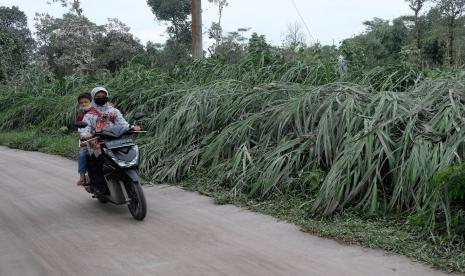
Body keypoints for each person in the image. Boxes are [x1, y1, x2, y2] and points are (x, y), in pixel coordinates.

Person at [75, 93, 99, 186]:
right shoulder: (80, 117)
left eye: (86, 102)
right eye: (81, 103)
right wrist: (84, 137)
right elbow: (80, 131)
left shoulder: (98, 112)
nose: (84, 104)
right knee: (82, 153)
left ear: (91, 102)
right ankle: (82, 177)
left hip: (102, 137)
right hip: (87, 140)